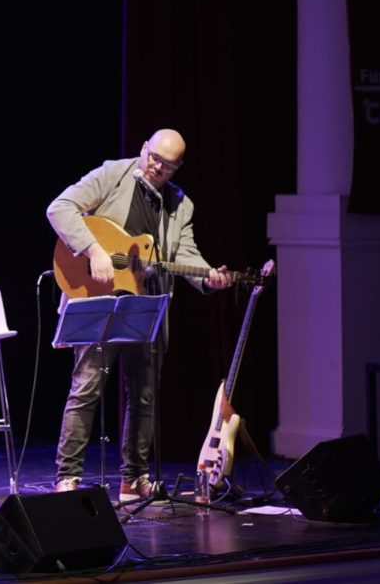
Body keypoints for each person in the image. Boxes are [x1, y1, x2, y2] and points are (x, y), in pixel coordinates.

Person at [47, 128, 233, 501]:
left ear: (177, 169)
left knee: (144, 394)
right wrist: (95, 251)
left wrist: (208, 276)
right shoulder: (113, 174)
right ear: (143, 148)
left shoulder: (181, 205)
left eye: (165, 167)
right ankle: (68, 477)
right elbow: (60, 208)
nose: (155, 168)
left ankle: (134, 478)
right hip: (98, 299)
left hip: (146, 304)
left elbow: (184, 255)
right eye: (152, 158)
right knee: (86, 388)